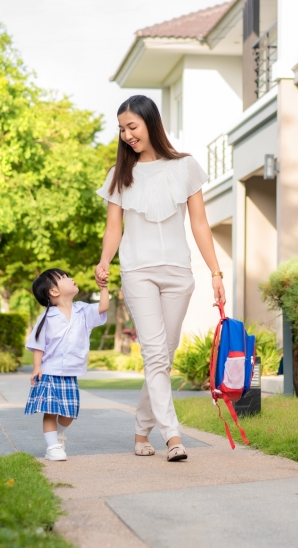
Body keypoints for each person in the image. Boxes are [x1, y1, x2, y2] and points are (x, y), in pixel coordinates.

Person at [95, 94, 226, 463]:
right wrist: (105, 261)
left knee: (162, 359)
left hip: (178, 273)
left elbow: (200, 223)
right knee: (154, 355)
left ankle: (141, 429)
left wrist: (216, 273)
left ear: (150, 123)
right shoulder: (120, 175)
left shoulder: (185, 167)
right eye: (121, 129)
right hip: (138, 271)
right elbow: (113, 228)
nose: (126, 135)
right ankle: (173, 437)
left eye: (131, 127)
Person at [25, 268, 110, 461]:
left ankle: (58, 434)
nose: (70, 278)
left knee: (69, 413)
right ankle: (52, 447)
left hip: (70, 373)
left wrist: (103, 287)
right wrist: (37, 366)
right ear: (54, 292)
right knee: (50, 411)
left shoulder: (83, 311)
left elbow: (103, 307)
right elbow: (39, 343)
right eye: (63, 278)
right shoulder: (47, 317)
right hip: (49, 371)